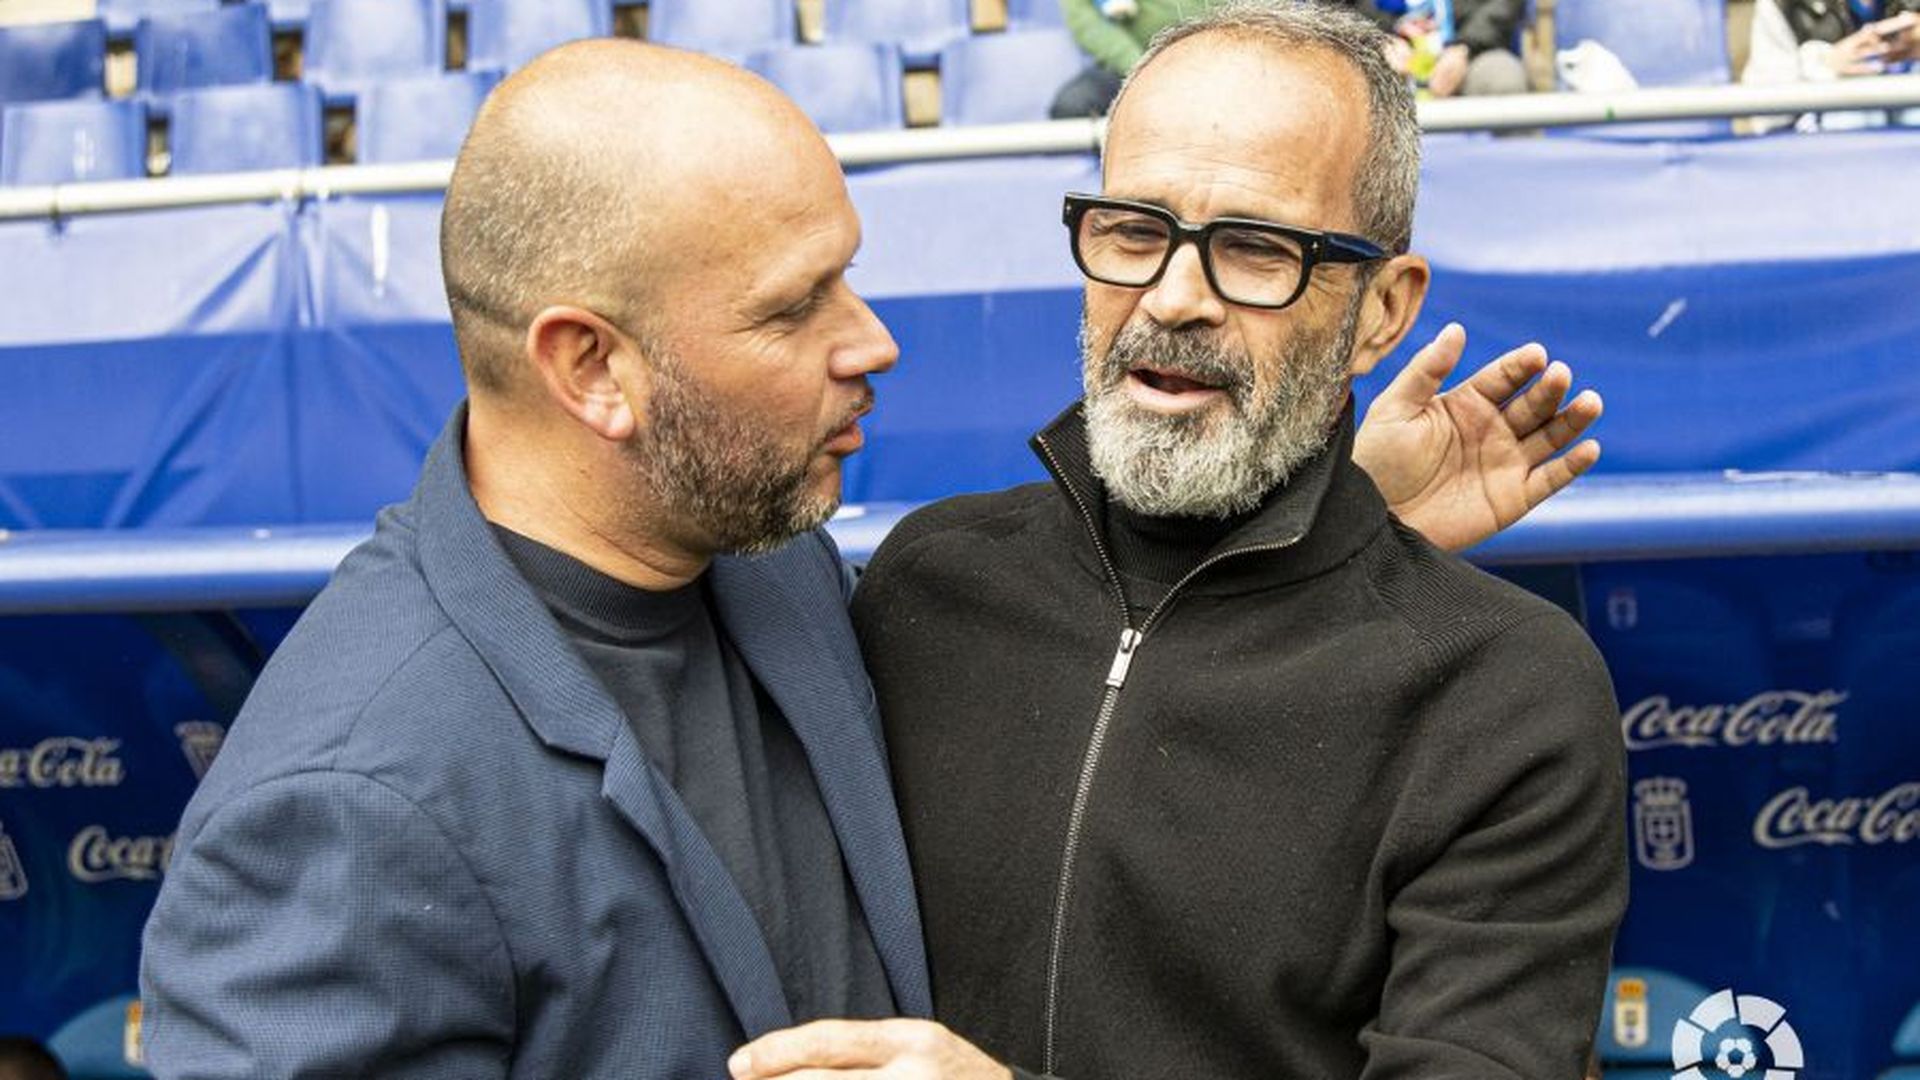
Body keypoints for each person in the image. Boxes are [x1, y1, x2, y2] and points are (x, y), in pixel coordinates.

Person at [140, 29, 1602, 1080]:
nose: (876, 338)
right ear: (594, 370)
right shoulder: (348, 799)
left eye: (1261, 251)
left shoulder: (797, 579)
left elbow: (1189, 650)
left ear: (1380, 305)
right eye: (796, 308)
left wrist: (1343, 545)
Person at [732, 4, 1625, 1080]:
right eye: (1132, 230)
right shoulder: (924, 585)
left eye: (1257, 249)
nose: (1172, 296)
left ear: (1382, 312)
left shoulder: (1504, 695)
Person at [1051, 0, 1526, 119]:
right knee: (1071, 107)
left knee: (1503, 81)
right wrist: (1378, 39)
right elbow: (1083, 18)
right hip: (1138, 64)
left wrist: (1467, 48)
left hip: (1466, 51)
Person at [1742, 0, 1919, 133]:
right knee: (1849, 112)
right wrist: (1826, 66)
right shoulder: (1782, 4)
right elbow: (1765, 117)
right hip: (1828, 146)